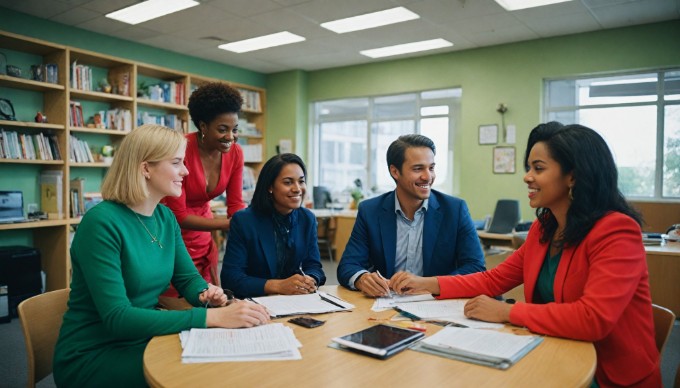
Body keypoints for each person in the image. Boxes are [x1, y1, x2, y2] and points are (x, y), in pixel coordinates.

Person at [391, 123, 662, 387]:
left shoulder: (616, 230)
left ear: (573, 176)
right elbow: (493, 279)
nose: (527, 176)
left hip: (605, 375)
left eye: (538, 168)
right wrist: (427, 283)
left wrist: (507, 311)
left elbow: (594, 318)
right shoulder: (544, 229)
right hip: (553, 354)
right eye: (529, 167)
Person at [53, 125, 270, 388]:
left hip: (147, 338)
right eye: (177, 162)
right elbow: (117, 318)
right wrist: (210, 318)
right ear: (146, 169)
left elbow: (188, 278)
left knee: (227, 366)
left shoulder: (164, 217)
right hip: (94, 353)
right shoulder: (100, 223)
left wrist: (207, 293)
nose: (186, 171)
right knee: (203, 377)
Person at [337, 134, 485, 297]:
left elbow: (476, 267)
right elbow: (348, 265)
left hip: (438, 305)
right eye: (418, 169)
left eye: (431, 168)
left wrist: (429, 284)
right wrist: (362, 278)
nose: (428, 176)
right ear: (395, 171)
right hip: (386, 304)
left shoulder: (455, 210)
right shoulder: (370, 210)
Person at [162, 82, 247, 292]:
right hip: (169, 232)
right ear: (203, 126)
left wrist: (243, 224)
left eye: (234, 129)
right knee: (171, 299)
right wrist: (228, 225)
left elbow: (235, 203)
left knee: (205, 296)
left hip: (203, 232)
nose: (230, 137)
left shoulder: (235, 153)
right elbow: (179, 215)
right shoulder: (180, 149)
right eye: (222, 129)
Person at [221, 153, 326, 298]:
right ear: (270, 186)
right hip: (255, 302)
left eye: (301, 181)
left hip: (296, 300)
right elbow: (230, 278)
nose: (297, 189)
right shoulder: (244, 220)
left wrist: (310, 279)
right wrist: (277, 286)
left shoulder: (307, 219)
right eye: (288, 182)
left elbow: (314, 266)